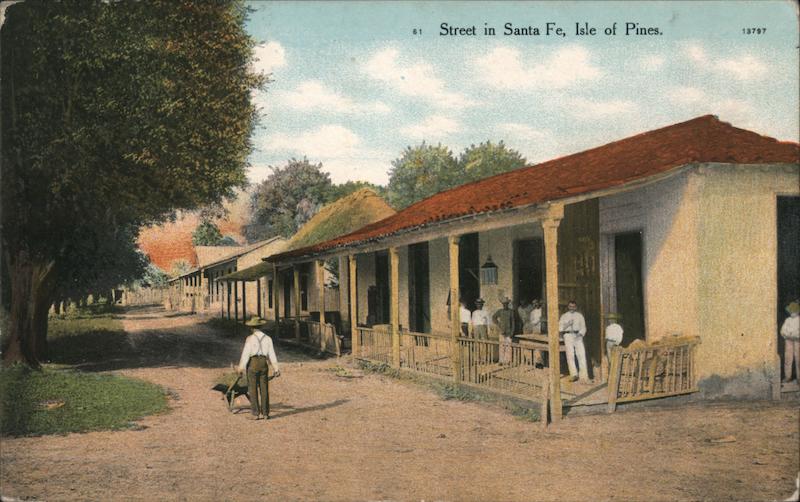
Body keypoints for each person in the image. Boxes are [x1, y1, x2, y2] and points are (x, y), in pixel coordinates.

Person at [238, 316, 281, 420]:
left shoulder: (250, 339)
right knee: (264, 388)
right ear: (261, 327)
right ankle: (266, 413)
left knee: (252, 389)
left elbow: (245, 355)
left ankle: (255, 414)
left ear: (252, 328)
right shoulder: (268, 339)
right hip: (263, 363)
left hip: (253, 364)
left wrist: (240, 368)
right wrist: (276, 369)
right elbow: (272, 354)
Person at [559, 300, 588, 382]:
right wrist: (567, 324)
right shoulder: (564, 316)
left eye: (573, 307)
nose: (572, 308)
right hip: (568, 335)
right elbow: (559, 328)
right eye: (570, 306)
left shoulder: (579, 316)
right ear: (568, 307)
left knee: (581, 354)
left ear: (576, 307)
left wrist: (580, 334)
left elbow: (583, 327)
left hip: (577, 335)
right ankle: (574, 374)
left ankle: (583, 375)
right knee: (570, 355)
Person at [780, 302, 800, 383]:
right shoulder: (787, 320)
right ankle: (787, 377)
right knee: (788, 358)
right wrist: (787, 334)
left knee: (798, 358)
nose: (792, 313)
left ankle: (799, 378)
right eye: (791, 311)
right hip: (788, 341)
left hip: (798, 341)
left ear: (797, 311)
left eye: (794, 311)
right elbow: (782, 330)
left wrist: (795, 335)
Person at [493, 297, 516, 365]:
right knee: (501, 346)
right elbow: (494, 317)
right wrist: (498, 324)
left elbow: (513, 322)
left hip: (509, 332)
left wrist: (512, 331)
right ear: (502, 304)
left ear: (508, 304)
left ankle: (507, 360)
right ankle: (501, 360)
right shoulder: (500, 311)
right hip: (502, 331)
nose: (505, 305)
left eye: (506, 304)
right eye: (504, 304)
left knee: (508, 346)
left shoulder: (511, 312)